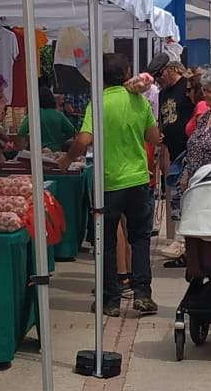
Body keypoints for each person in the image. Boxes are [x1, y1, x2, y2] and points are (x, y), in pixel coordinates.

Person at [67, 53, 163, 316]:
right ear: (126, 73)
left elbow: (84, 139)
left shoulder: (97, 103)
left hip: (108, 183)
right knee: (140, 239)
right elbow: (154, 137)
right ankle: (142, 294)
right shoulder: (139, 101)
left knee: (107, 242)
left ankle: (110, 300)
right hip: (137, 180)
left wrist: (65, 160)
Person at [154, 59, 193, 254]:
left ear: (171, 70)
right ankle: (179, 242)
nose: (159, 79)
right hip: (172, 150)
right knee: (176, 199)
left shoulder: (186, 87)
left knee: (185, 198)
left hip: (187, 150)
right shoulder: (163, 94)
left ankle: (183, 242)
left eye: (160, 74)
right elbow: (162, 120)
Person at [18, 81, 78, 155]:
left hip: (37, 154)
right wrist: (60, 139)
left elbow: (21, 132)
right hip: (56, 153)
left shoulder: (34, 114)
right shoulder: (59, 115)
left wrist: (22, 151)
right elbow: (73, 132)